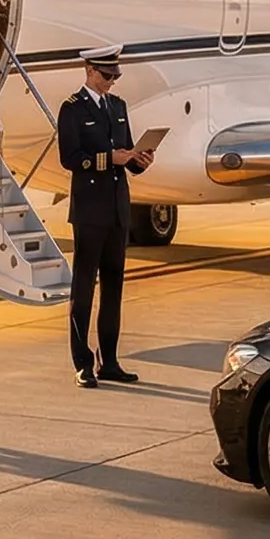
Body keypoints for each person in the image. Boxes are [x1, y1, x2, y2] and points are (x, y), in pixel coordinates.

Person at [57, 44, 152, 388]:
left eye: (115, 75)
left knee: (113, 288)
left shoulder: (118, 107)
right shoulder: (72, 109)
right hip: (89, 210)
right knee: (83, 288)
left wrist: (137, 161)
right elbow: (70, 158)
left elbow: (124, 153)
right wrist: (107, 158)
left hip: (117, 209)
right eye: (107, 75)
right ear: (89, 71)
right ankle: (82, 363)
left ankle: (109, 361)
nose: (112, 81)